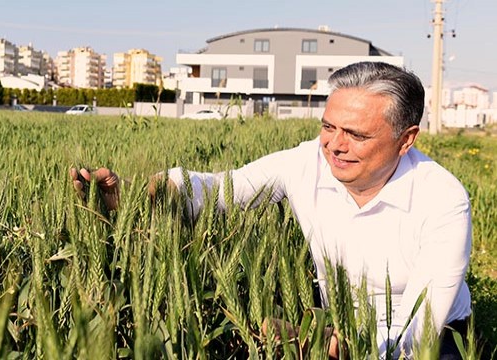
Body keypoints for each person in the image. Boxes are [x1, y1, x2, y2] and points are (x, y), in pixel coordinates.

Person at [70, 61, 472, 359]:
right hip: (331, 326)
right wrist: (148, 194)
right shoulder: (306, 162)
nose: (334, 145)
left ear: (406, 139)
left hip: (431, 337)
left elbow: (416, 334)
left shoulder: (443, 200)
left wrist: (329, 345)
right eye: (328, 126)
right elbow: (221, 190)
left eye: (356, 134)